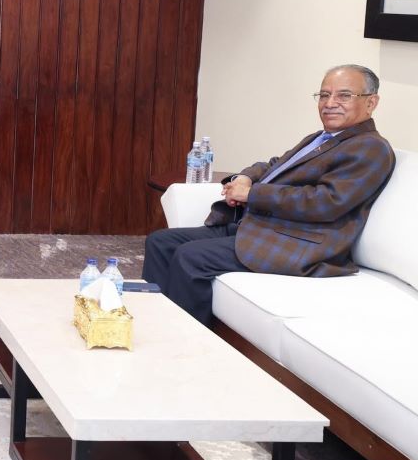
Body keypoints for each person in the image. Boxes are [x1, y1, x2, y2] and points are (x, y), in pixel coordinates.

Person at [142, 64, 395, 325]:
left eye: (344, 95)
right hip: (261, 228)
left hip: (299, 245)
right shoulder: (322, 138)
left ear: (371, 102)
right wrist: (244, 178)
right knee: (161, 242)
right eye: (324, 95)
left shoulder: (370, 148)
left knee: (191, 257)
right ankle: (154, 326)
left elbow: (325, 202)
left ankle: (186, 340)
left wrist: (252, 194)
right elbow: (275, 164)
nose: (330, 103)